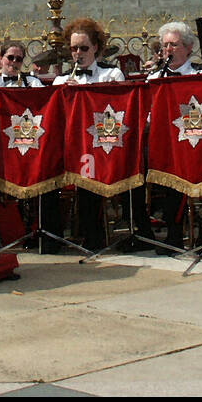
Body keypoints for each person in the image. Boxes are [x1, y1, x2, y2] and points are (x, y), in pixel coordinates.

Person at [53, 18, 125, 251]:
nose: (78, 53)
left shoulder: (111, 74)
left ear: (96, 48)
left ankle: (97, 236)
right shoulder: (62, 79)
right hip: (74, 145)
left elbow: (116, 110)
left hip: (105, 141)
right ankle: (61, 235)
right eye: (74, 49)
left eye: (84, 48)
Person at [147, 22, 200, 252]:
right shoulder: (155, 77)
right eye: (165, 45)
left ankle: (182, 232)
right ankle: (164, 230)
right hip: (164, 143)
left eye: (174, 45)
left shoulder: (199, 74)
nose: (168, 49)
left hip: (192, 142)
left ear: (188, 48)